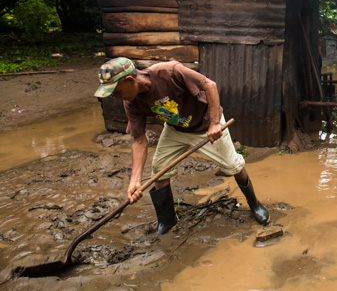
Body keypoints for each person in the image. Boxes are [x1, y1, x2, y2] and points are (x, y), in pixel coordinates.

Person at [94, 57, 269, 234]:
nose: (116, 97)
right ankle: (167, 221)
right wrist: (135, 180)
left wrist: (215, 122)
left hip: (205, 124)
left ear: (130, 80)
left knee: (233, 166)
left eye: (116, 92)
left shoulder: (170, 72)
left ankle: (254, 204)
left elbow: (210, 85)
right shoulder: (131, 103)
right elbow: (139, 140)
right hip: (175, 129)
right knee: (159, 168)